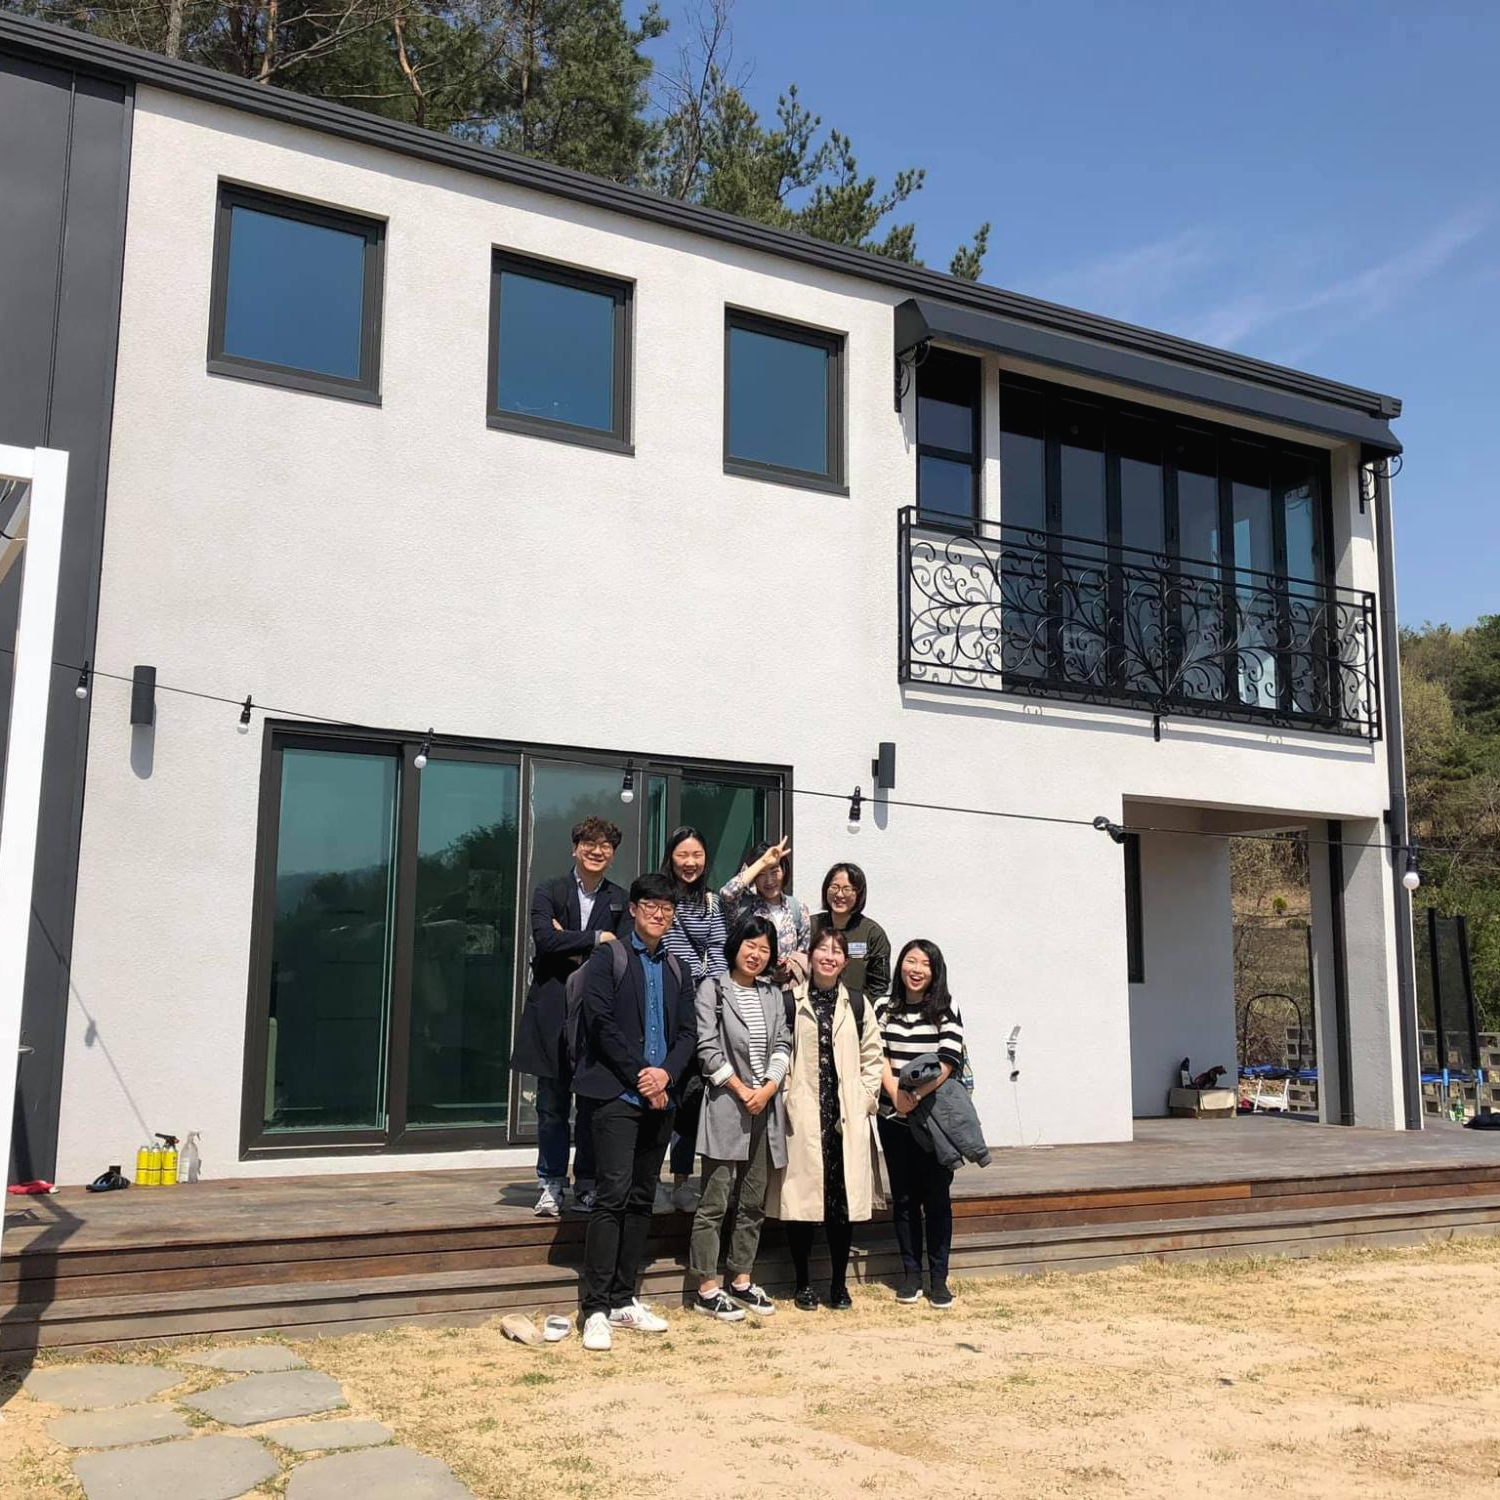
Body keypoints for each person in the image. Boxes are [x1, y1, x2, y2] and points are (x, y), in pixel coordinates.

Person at [573, 873, 697, 1352]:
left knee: (643, 1198)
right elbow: (600, 1022)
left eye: (667, 908)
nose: (659, 914)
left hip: (661, 1098)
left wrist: (664, 1076)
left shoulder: (678, 966)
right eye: (651, 906)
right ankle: (595, 1307)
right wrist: (642, 1075)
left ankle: (624, 1299)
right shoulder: (609, 957)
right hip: (617, 1097)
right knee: (612, 1196)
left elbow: (687, 1033)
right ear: (634, 909)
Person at [509, 816, 629, 1218]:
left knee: (593, 1105)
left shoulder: (620, 898)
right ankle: (551, 1181)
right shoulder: (550, 890)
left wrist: (571, 944)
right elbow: (545, 940)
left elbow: (621, 954)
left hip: (596, 1016)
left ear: (613, 854)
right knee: (552, 1104)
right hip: (553, 1012)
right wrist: (597, 938)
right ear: (575, 848)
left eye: (605, 846)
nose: (597, 851)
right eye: (589, 844)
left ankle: (588, 1182)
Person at [768, 926, 883, 1310]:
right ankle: (803, 1283)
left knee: (841, 1204)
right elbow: (779, 1051)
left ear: (844, 961)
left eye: (836, 951)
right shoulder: (790, 1001)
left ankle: (838, 1284)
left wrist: (866, 1098)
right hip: (804, 1115)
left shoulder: (858, 1003)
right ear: (810, 955)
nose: (829, 957)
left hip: (843, 1116)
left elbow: (873, 1055)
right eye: (822, 949)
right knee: (801, 1203)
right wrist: (786, 1096)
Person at [689, 915, 792, 1321]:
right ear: (735, 945)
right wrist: (741, 1089)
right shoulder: (712, 988)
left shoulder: (772, 993)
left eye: (765, 949)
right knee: (714, 1200)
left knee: (752, 1200)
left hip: (765, 1108)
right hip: (726, 1106)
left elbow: (783, 1042)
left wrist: (767, 1088)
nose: (756, 954)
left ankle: (742, 1279)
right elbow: (707, 1048)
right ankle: (706, 1286)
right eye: (750, 945)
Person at [878, 939, 966, 1309]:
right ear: (900, 965)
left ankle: (939, 1279)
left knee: (937, 1198)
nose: (916, 970)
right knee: (904, 1198)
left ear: (935, 971)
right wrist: (896, 1094)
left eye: (925, 964)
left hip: (934, 1120)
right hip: (893, 1117)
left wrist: (915, 1095)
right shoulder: (884, 1007)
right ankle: (911, 1275)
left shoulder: (946, 1007)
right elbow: (877, 1055)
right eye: (911, 961)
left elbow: (949, 1059)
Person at [659, 826, 728, 1211]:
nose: (690, 862)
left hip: (702, 1007)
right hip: (667, 1002)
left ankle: (685, 1181)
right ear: (670, 857)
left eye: (697, 855)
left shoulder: (711, 902)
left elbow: (718, 948)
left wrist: (712, 995)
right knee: (664, 1091)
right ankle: (654, 1177)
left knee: (694, 1094)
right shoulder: (661, 897)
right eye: (683, 855)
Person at [719, 838, 810, 984]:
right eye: (761, 874)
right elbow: (728, 893)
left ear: (784, 870)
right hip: (749, 990)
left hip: (787, 992)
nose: (769, 881)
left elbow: (802, 954)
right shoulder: (744, 908)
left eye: (774, 871)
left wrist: (788, 968)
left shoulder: (798, 909)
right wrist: (762, 862)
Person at [810, 863, 891, 1003]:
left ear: (859, 894)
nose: (839, 894)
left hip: (854, 1010)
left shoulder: (872, 933)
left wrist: (859, 1007)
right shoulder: (810, 925)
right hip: (811, 1007)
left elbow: (879, 984)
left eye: (847, 889)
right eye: (834, 887)